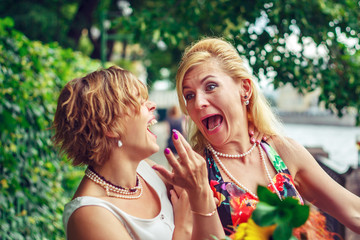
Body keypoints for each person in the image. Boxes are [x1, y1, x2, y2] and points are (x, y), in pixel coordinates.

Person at [159, 37, 360, 237]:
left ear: (245, 89)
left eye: (210, 86)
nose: (198, 103)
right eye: (189, 96)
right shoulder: (192, 172)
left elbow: (354, 212)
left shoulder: (281, 151)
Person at [52, 66, 225, 240]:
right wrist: (184, 226)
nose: (152, 105)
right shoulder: (88, 215)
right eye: (139, 101)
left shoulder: (150, 171)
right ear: (110, 127)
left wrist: (200, 194)